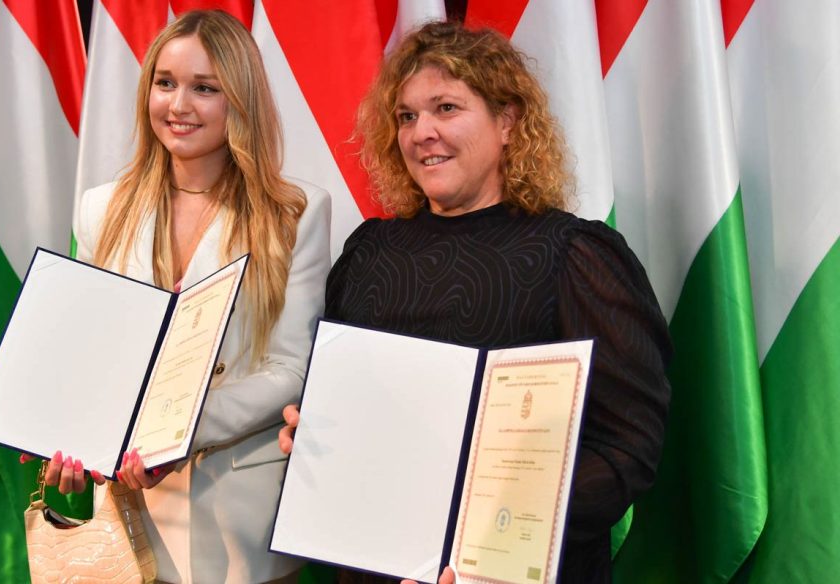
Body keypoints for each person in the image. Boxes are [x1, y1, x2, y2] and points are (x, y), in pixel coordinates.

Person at [278, 21, 671, 584]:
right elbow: (346, 403)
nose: (422, 133)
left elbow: (626, 447)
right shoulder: (369, 252)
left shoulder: (573, 254)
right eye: (407, 116)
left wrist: (483, 542)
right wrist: (316, 433)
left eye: (446, 108)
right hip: (373, 565)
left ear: (507, 122)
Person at [35, 10, 331, 584]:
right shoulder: (101, 208)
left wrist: (176, 432)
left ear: (240, 100)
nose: (178, 105)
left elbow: (292, 369)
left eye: (205, 88)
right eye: (165, 83)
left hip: (241, 525)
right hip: (128, 518)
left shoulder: (295, 212)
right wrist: (67, 437)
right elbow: (92, 358)